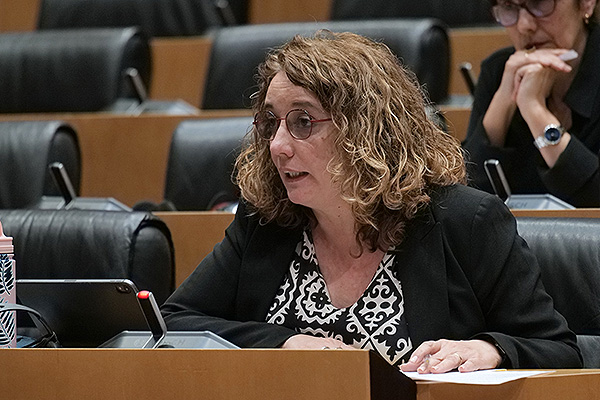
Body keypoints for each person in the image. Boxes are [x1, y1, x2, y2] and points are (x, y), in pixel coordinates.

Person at [161, 31, 582, 372]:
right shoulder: (266, 220)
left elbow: (559, 349)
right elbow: (175, 323)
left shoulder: (467, 222)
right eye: (271, 122)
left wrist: (491, 349)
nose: (278, 145)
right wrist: (284, 342)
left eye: (303, 122)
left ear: (365, 131)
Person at [462, 0, 600, 207]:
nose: (524, 25)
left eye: (540, 3)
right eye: (509, 7)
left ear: (586, 4)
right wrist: (504, 101)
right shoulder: (498, 71)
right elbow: (465, 197)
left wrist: (534, 109)